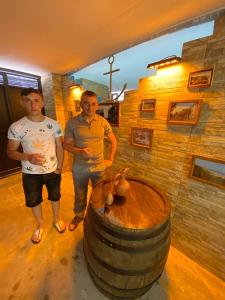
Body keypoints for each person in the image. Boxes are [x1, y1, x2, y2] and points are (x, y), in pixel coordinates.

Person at [7, 88, 66, 244]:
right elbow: (11, 151)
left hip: (53, 170)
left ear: (42, 102)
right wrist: (27, 157)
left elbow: (60, 147)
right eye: (28, 100)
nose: (32, 104)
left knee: (55, 196)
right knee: (34, 200)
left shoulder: (54, 124)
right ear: (22, 103)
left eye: (36, 100)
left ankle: (56, 219)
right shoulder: (16, 127)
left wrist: (60, 167)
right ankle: (40, 225)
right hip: (30, 173)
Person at [64, 90, 117, 231]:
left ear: (97, 105)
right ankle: (79, 215)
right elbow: (66, 145)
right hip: (80, 167)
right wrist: (80, 151)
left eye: (93, 104)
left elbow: (113, 141)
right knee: (80, 193)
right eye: (86, 103)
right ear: (81, 104)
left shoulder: (103, 122)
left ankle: (98, 216)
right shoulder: (72, 123)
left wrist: (110, 159)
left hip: (99, 167)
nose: (90, 107)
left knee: (99, 194)